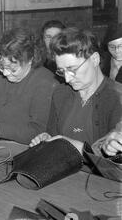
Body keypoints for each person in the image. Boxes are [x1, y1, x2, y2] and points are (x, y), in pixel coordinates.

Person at [30, 28, 122, 182]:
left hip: (102, 186)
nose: (67, 78)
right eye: (61, 71)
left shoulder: (117, 98)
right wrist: (47, 140)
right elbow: (54, 136)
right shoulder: (61, 93)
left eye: (72, 69)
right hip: (63, 177)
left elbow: (115, 170)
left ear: (94, 59)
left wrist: (80, 149)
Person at [0, 28, 58, 145]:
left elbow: (38, 131)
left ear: (30, 60)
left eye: (13, 69)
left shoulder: (45, 82)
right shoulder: (0, 78)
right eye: (2, 67)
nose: (5, 73)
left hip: (24, 150)